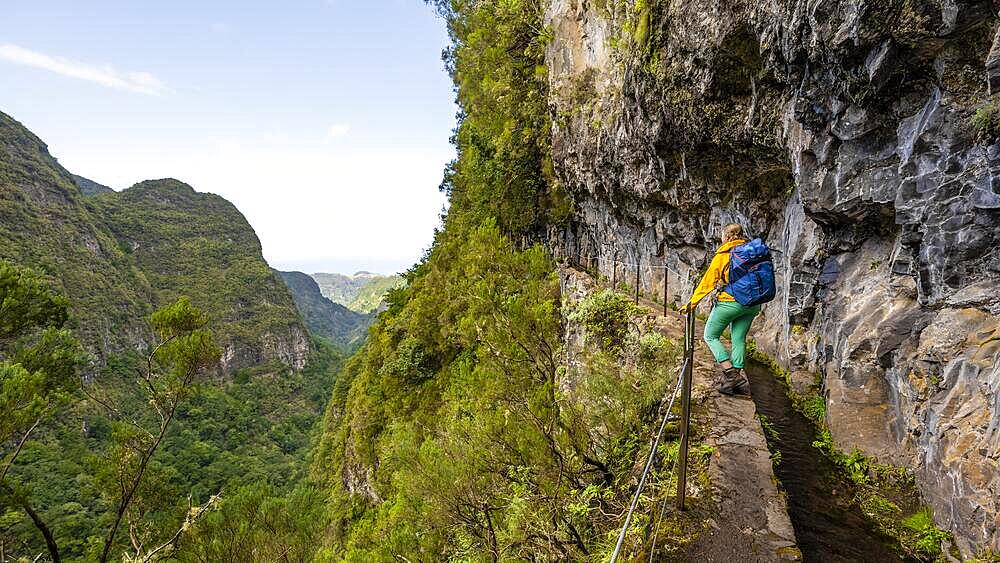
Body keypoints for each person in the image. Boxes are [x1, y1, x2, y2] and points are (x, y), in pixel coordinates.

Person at [682, 223, 760, 396]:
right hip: (753, 303)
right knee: (738, 338)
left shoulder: (724, 254)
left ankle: (730, 373)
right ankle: (736, 380)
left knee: (710, 335)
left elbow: (707, 282)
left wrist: (692, 303)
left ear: (726, 236)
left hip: (730, 302)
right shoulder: (754, 251)